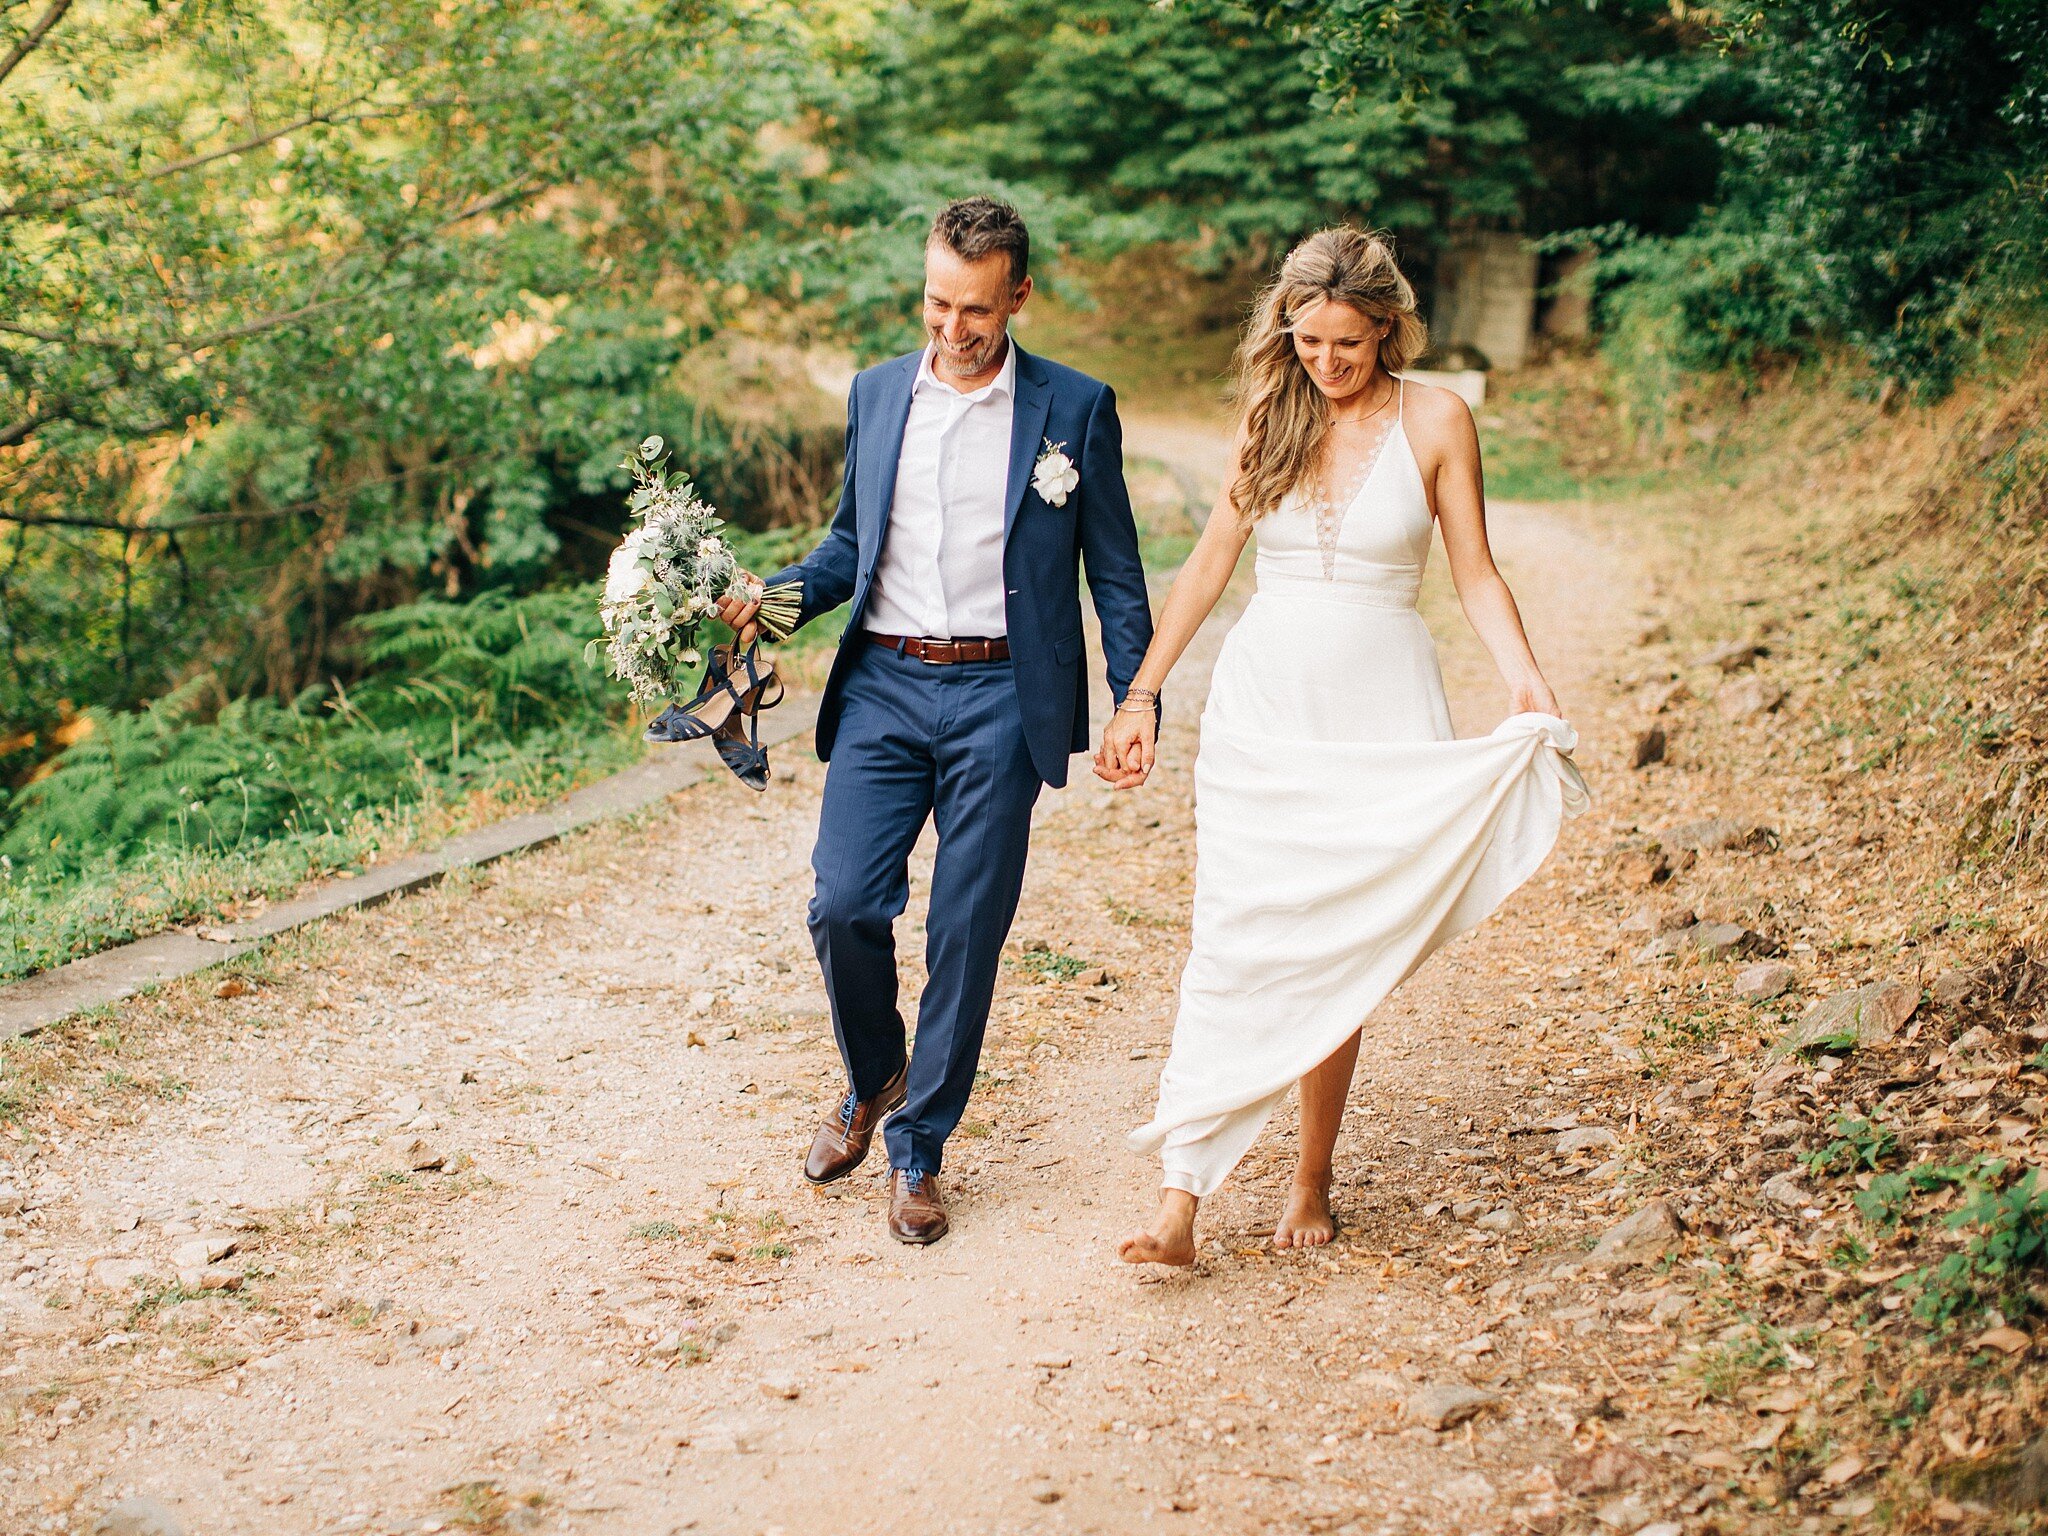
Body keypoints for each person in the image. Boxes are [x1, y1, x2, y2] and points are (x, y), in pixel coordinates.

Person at [1100, 227, 1588, 1267]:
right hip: (1262, 710)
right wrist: (1141, 694)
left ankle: (1310, 1170)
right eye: (1309, 340)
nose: (1326, 362)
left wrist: (1522, 674)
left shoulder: (1437, 420)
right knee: (1232, 936)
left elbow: (1474, 574)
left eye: (1348, 345)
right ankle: (1180, 1194)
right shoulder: (1265, 418)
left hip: (1377, 712)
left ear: (1388, 330)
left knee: (1341, 944)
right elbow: (1202, 574)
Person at [718, 197, 1155, 1245]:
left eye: (973, 308)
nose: (951, 328)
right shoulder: (876, 394)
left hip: (1005, 695)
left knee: (966, 928)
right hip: (882, 684)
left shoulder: (1074, 408)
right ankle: (875, 1077)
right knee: (842, 905)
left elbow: (1118, 578)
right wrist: (769, 596)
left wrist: (1135, 698)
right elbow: (846, 548)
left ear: (1018, 295)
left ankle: (916, 1150)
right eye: (934, 303)